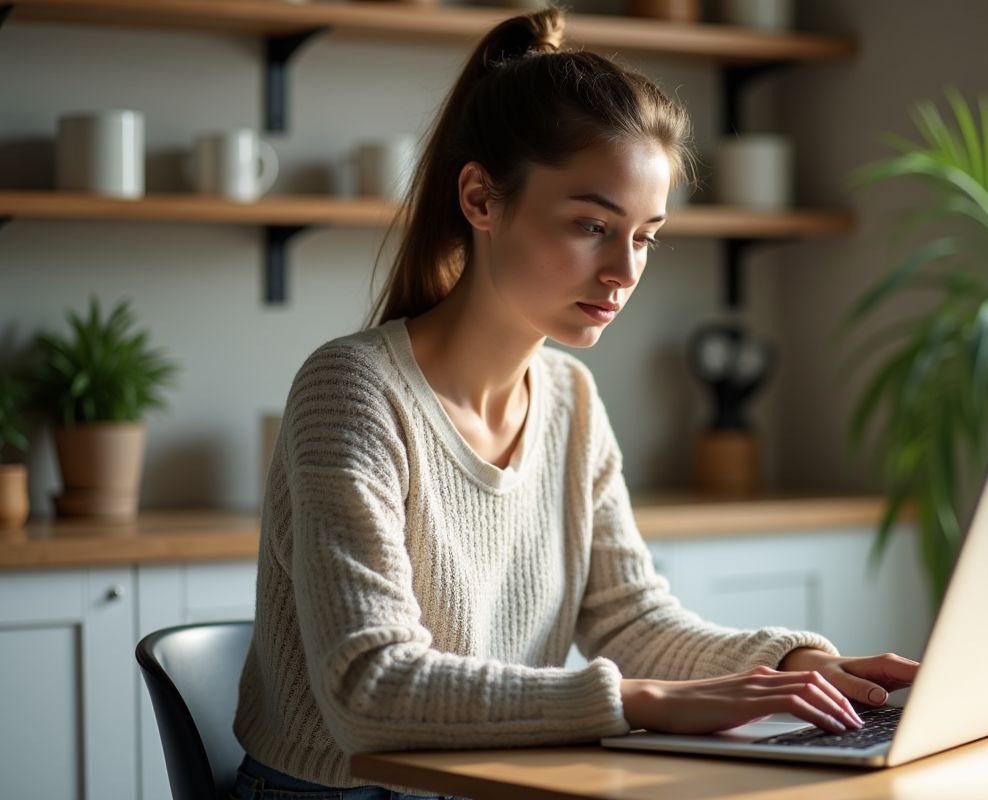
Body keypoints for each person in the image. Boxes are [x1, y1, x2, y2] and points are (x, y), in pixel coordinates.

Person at [232, 6, 918, 799]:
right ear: (481, 199)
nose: (624, 271)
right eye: (592, 224)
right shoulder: (353, 391)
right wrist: (645, 702)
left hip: (485, 781)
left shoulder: (569, 399)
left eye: (646, 235)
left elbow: (629, 622)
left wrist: (797, 665)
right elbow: (370, 690)